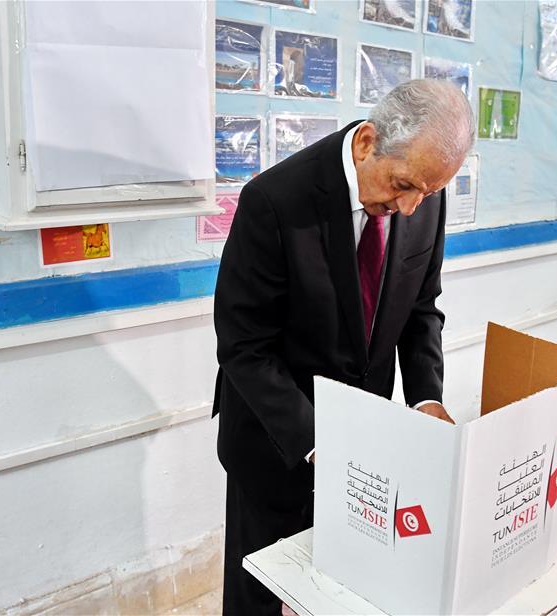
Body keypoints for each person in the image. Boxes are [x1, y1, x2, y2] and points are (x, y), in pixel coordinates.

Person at [212, 79, 475, 615]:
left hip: (364, 439)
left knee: (346, 589)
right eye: (403, 184)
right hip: (275, 438)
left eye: (426, 191)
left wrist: (426, 397)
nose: (409, 207)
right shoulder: (275, 201)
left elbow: (422, 307)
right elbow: (244, 346)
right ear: (366, 144)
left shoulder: (422, 194)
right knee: (258, 594)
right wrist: (319, 442)